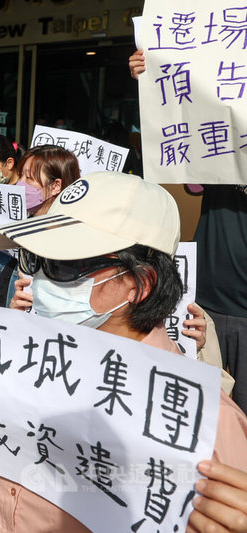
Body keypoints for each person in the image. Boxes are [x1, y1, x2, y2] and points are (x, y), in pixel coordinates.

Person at [0, 172, 247, 533]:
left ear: (139, 283)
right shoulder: (13, 363)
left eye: (61, 266)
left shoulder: (204, 424)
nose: (40, 281)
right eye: (34, 261)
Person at [130, 48, 247, 414]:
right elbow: (176, 144)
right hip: (206, 302)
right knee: (202, 411)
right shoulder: (218, 134)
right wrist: (151, 82)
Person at [0, 145, 79, 308]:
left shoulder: (71, 242)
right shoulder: (25, 228)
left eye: (29, 178)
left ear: (55, 186)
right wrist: (16, 309)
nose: (21, 184)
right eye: (21, 177)